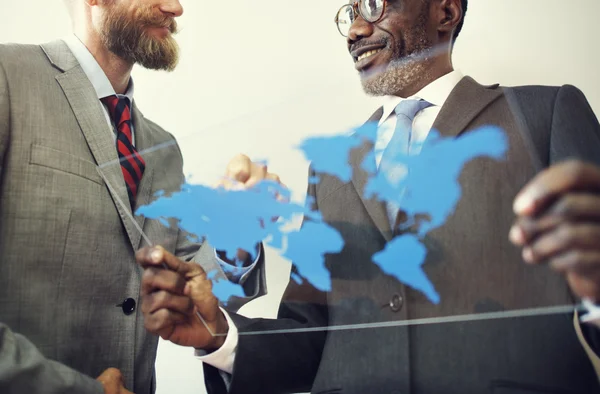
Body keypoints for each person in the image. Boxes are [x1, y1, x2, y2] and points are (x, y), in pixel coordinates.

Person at [136, 0, 600, 392]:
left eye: (376, 5)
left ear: (446, 10)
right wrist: (218, 336)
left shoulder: (546, 113)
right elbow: (310, 333)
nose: (356, 29)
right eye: (350, 12)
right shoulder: (332, 166)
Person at [0, 0, 274, 393]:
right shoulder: (7, 77)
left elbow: (190, 293)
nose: (175, 7)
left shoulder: (164, 148)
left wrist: (236, 236)